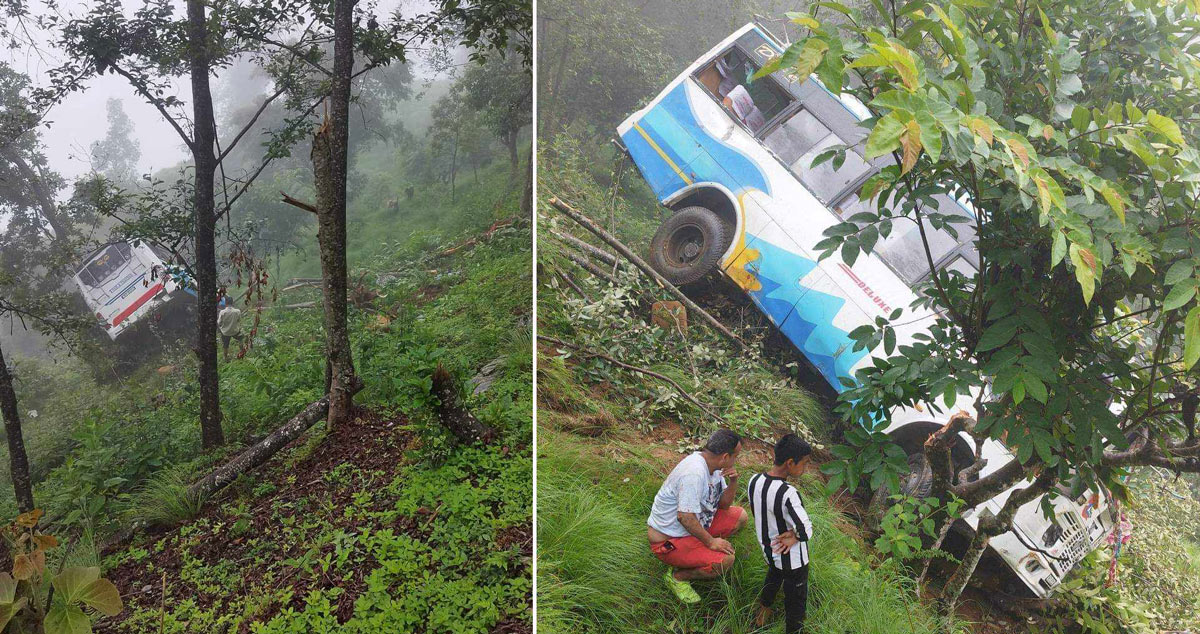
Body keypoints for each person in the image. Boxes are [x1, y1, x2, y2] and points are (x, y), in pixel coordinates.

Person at [647, 428, 748, 603]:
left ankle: (698, 551)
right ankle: (678, 577)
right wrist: (711, 542)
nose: (735, 460)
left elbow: (723, 505)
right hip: (670, 540)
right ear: (725, 457)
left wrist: (733, 481)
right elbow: (684, 517)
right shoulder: (694, 472)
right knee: (725, 561)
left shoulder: (715, 466)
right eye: (735, 456)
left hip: (695, 524)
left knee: (741, 516)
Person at [748, 434, 814, 634]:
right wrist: (795, 536)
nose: (805, 468)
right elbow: (806, 529)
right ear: (790, 463)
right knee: (796, 601)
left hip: (770, 550)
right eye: (804, 463)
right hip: (794, 561)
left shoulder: (755, 480)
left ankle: (762, 616)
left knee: (773, 577)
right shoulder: (788, 493)